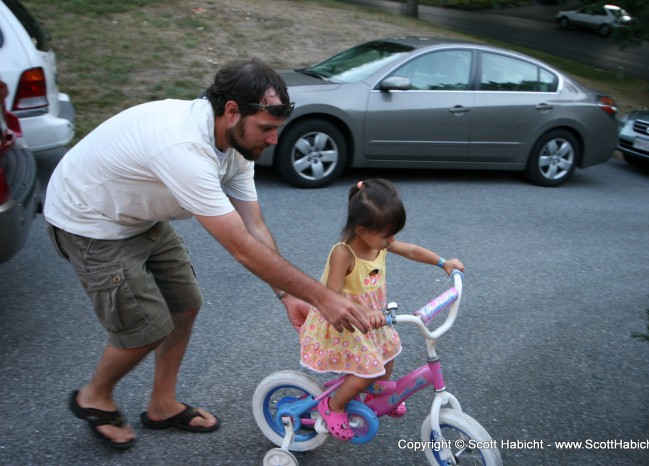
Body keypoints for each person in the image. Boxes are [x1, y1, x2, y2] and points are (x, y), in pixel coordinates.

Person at [43, 58, 371, 450]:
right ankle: (93, 396)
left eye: (277, 129)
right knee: (146, 327)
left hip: (138, 215)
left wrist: (289, 296)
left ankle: (162, 405)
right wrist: (322, 297)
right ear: (232, 110)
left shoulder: (235, 144)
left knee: (184, 305)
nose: (274, 141)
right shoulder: (185, 147)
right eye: (267, 129)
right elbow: (240, 247)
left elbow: (254, 228)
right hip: (89, 221)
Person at [298, 179, 464, 441]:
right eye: (387, 235)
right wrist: (364, 310)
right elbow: (332, 296)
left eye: (393, 234)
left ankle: (377, 393)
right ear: (361, 230)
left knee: (388, 355)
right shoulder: (344, 253)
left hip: (372, 319)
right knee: (367, 370)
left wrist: (443, 262)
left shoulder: (379, 243)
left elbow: (410, 250)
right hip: (345, 320)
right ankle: (333, 406)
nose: (392, 240)